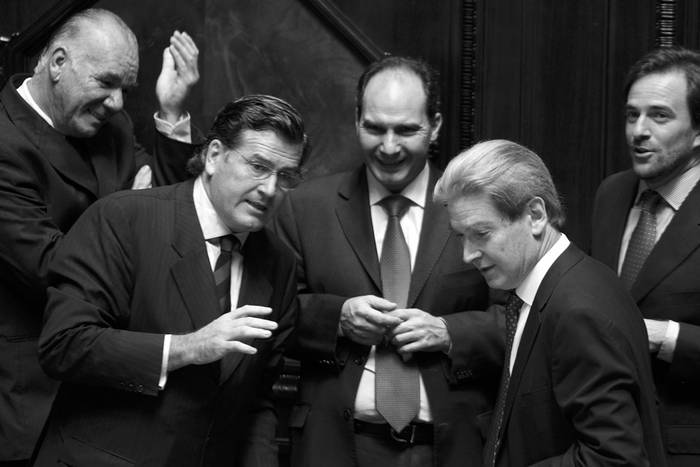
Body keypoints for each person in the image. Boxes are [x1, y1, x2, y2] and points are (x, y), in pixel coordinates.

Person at [34, 94, 307, 466]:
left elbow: (259, 398)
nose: (271, 189)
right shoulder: (123, 218)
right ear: (213, 156)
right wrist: (186, 348)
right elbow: (64, 345)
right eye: (258, 166)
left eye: (286, 176)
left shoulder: (280, 262)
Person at [273, 56, 499, 467]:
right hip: (334, 447)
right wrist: (337, 318)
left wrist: (449, 332)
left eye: (407, 130)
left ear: (436, 126)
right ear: (357, 119)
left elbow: (521, 319)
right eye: (375, 128)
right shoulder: (305, 208)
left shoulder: (480, 208)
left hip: (452, 448)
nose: (389, 147)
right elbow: (275, 314)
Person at [0, 8, 199, 465]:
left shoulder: (114, 127)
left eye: (125, 89)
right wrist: (132, 219)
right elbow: (51, 268)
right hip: (31, 399)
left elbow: (170, 209)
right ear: (57, 63)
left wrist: (169, 111)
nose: (117, 103)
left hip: (112, 395)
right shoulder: (5, 144)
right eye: (106, 82)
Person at [435, 139, 665, 467]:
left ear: (535, 215)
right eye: (461, 236)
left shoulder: (578, 310)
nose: (467, 254)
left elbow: (615, 459)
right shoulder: (545, 289)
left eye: (481, 233)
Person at [591, 46, 700, 467]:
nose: (638, 130)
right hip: (603, 440)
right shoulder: (611, 194)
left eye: (659, 116)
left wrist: (665, 336)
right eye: (631, 115)